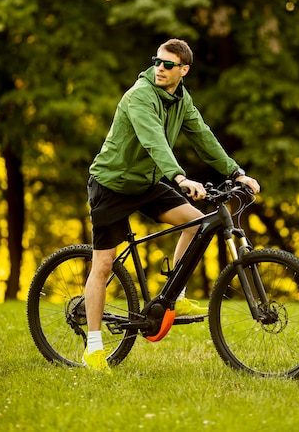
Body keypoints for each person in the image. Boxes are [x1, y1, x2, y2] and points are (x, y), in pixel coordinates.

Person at [83, 38, 260, 371]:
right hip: (112, 185)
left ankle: (174, 298)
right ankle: (93, 348)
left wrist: (237, 172)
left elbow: (203, 136)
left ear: (184, 70)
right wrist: (179, 178)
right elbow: (153, 140)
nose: (159, 68)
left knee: (196, 223)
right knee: (103, 265)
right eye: (157, 61)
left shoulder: (181, 99)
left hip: (147, 184)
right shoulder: (139, 96)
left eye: (168, 64)